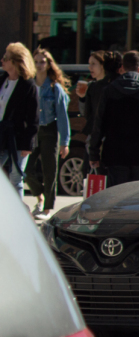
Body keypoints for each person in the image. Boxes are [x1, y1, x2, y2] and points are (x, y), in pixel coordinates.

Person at [89, 50, 139, 187]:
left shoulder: (109, 91)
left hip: (115, 153)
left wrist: (94, 153)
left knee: (117, 196)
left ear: (122, 68)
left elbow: (99, 124)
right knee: (138, 196)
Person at [29, 49, 71, 217]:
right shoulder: (29, 84)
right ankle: (39, 196)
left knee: (50, 170)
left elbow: (62, 115)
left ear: (48, 64)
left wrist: (64, 142)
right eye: (36, 61)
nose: (39, 65)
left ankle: (47, 208)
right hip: (32, 131)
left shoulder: (55, 88)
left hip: (49, 130)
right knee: (25, 168)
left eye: (42, 62)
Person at [0, 44, 40, 196]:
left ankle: (17, 216)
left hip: (19, 138)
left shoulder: (28, 85)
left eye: (5, 58)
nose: (2, 61)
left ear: (16, 62)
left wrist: (28, 144)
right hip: (2, 135)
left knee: (16, 178)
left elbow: (33, 117)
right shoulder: (2, 80)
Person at [76, 50, 121, 162]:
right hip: (94, 137)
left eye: (93, 64)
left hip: (107, 137)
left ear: (102, 65)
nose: (90, 67)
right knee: (88, 174)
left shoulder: (112, 86)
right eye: (89, 64)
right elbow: (86, 115)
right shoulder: (92, 86)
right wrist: (82, 98)